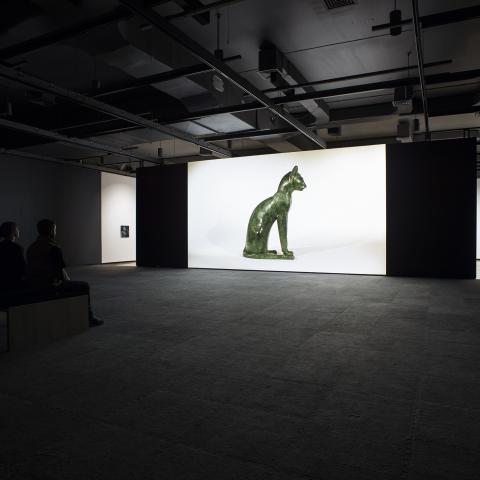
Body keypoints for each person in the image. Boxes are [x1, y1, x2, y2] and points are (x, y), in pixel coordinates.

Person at [27, 219, 103, 327]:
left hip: (34, 283)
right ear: (51, 231)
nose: (55, 232)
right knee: (84, 286)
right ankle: (88, 317)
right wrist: (65, 281)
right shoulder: (53, 248)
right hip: (49, 285)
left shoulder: (31, 247)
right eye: (55, 229)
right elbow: (59, 272)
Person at [0, 221, 27, 291]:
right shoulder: (17, 248)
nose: (18, 230)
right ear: (13, 231)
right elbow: (22, 267)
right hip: (14, 282)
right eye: (17, 228)